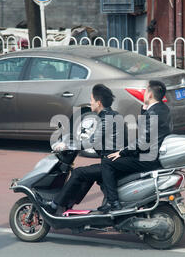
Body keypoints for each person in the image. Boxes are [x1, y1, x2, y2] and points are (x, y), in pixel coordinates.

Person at [42, 84, 124, 214]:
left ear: (98, 102)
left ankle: (54, 205)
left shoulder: (106, 119)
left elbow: (92, 141)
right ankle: (67, 204)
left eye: (91, 100)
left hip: (112, 164)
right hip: (114, 162)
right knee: (87, 174)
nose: (90, 102)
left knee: (78, 172)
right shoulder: (112, 115)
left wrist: (67, 145)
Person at [99, 80, 172, 213]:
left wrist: (122, 152)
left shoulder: (152, 113)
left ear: (150, 94)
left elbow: (143, 142)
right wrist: (144, 109)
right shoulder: (163, 109)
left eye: (145, 91)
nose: (144, 93)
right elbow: (147, 132)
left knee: (107, 162)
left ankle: (113, 202)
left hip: (148, 158)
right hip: (154, 154)